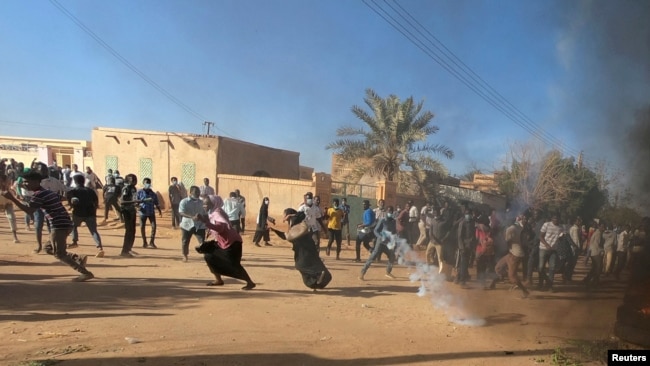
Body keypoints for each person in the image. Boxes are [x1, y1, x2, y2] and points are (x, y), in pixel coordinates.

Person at [1, 170, 94, 281]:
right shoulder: (47, 192)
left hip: (58, 225)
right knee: (47, 248)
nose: (25, 184)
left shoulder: (39, 195)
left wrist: (12, 198)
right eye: (24, 182)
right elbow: (62, 198)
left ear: (36, 182)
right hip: (65, 223)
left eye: (27, 182)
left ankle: (85, 273)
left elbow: (29, 210)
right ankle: (77, 258)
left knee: (59, 254)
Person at [196, 195, 256, 290]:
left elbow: (220, 228)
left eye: (206, 204)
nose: (204, 206)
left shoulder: (218, 213)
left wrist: (204, 222)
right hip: (223, 242)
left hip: (232, 243)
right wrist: (209, 228)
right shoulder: (213, 212)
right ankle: (218, 280)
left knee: (233, 264)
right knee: (209, 255)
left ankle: (250, 282)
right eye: (203, 204)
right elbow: (215, 225)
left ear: (213, 204)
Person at [270, 208, 331, 291]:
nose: (283, 217)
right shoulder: (294, 223)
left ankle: (317, 274)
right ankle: (317, 283)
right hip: (307, 248)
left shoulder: (296, 221)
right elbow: (287, 236)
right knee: (309, 269)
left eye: (284, 215)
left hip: (304, 249)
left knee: (300, 266)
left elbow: (302, 214)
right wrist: (274, 230)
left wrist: (292, 215)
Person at [489, 215, 530, 298]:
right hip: (512, 253)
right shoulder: (517, 227)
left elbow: (506, 242)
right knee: (498, 268)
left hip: (515, 254)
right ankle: (494, 283)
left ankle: (525, 291)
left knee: (512, 276)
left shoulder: (510, 229)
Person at [67, 174, 104, 257]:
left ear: (75, 182)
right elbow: (96, 202)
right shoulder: (90, 191)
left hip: (78, 213)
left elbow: (71, 202)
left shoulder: (73, 191)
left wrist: (72, 206)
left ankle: (75, 241)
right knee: (94, 231)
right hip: (90, 213)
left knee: (73, 226)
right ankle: (100, 248)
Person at [359, 205, 398, 280]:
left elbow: (394, 232)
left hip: (388, 243)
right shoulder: (382, 220)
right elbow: (375, 230)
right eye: (388, 211)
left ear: (392, 212)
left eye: (391, 211)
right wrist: (380, 237)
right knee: (372, 257)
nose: (389, 212)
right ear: (386, 211)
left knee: (392, 256)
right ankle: (362, 273)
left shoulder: (393, 221)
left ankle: (388, 272)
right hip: (380, 243)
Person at [179, 186, 206, 262]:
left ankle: (206, 256)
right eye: (196, 192)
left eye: (198, 192)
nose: (198, 194)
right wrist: (191, 217)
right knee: (185, 241)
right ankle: (185, 255)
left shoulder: (201, 202)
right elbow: (181, 212)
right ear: (190, 192)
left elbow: (204, 213)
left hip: (199, 225)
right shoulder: (184, 201)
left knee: (202, 241)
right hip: (187, 225)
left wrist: (205, 221)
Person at [538, 213, 563, 292]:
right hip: (543, 248)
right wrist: (547, 245)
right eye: (554, 218)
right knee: (541, 268)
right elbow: (540, 236)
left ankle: (549, 286)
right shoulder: (546, 224)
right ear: (551, 218)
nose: (556, 220)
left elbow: (560, 238)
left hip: (553, 250)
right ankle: (543, 283)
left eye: (557, 218)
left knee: (552, 268)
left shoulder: (560, 228)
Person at [118, 174, 140, 257]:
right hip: (126, 211)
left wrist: (137, 203)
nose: (135, 181)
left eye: (135, 179)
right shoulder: (126, 188)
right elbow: (122, 202)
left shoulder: (133, 188)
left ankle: (129, 248)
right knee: (129, 231)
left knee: (133, 231)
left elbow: (134, 199)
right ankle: (124, 251)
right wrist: (134, 202)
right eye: (133, 179)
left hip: (132, 211)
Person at [137, 178, 162, 249]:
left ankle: (152, 242)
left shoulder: (153, 194)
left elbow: (157, 203)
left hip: (151, 212)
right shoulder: (139, 192)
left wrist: (159, 211)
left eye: (149, 183)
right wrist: (138, 206)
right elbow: (136, 202)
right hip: (142, 212)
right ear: (143, 183)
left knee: (154, 227)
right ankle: (144, 242)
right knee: (142, 227)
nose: (147, 184)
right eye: (146, 182)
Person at [456, 208, 475, 286]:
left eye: (469, 214)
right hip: (463, 246)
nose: (468, 215)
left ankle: (459, 277)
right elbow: (460, 236)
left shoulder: (472, 223)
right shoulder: (462, 223)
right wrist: (462, 247)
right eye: (467, 214)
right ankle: (462, 280)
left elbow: (473, 235)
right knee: (463, 263)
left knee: (465, 263)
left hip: (469, 246)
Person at [583, 221, 605, 290]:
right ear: (599, 227)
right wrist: (602, 250)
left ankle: (587, 280)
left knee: (594, 268)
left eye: (604, 227)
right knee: (598, 268)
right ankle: (594, 283)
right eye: (602, 226)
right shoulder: (598, 234)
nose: (603, 228)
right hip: (597, 252)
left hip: (593, 252)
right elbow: (599, 244)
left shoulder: (597, 232)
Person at [0, 173, 19, 243]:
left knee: (11, 217)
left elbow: (11, 195)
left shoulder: (7, 189)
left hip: (7, 203)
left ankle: (15, 236)